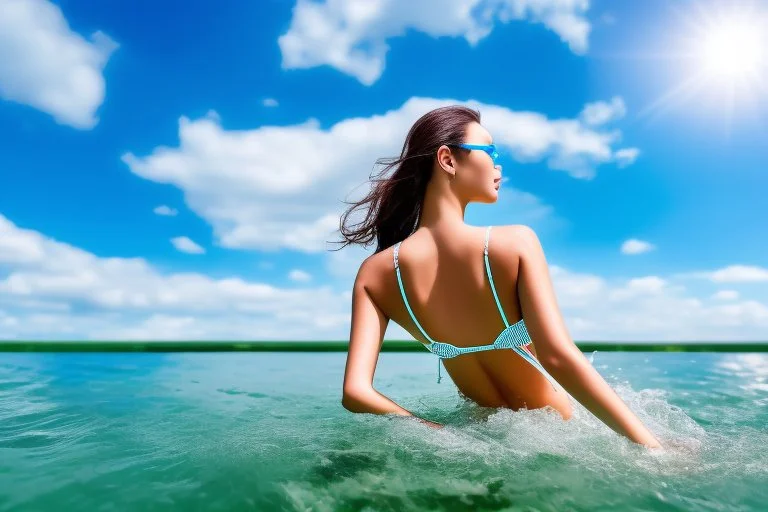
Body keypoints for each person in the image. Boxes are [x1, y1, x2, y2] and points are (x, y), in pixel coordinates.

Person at [333, 105, 662, 449]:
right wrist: (653, 448)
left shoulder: (376, 274)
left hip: (480, 439)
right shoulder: (512, 242)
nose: (498, 165)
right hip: (559, 441)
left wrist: (443, 434)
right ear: (447, 159)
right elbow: (558, 357)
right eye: (489, 150)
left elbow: (356, 394)